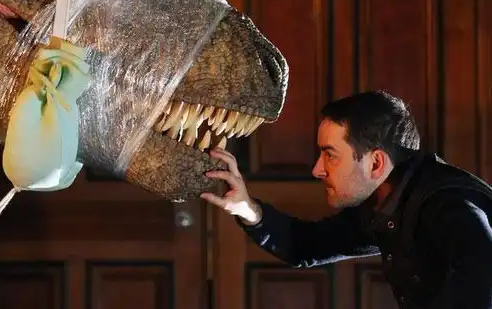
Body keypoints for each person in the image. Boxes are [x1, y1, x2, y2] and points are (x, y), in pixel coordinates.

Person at [202, 90, 492, 309]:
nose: (317, 169)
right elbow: (306, 245)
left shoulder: (450, 206)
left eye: (330, 155)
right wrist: (248, 208)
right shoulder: (387, 201)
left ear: (375, 163)